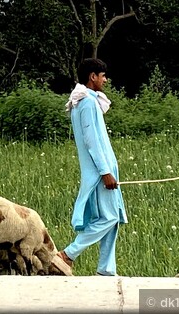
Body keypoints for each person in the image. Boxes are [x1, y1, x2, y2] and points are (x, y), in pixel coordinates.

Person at [57, 57, 127, 276]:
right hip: (99, 172)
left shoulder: (87, 101)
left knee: (112, 218)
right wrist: (105, 172)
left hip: (104, 169)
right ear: (92, 76)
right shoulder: (86, 102)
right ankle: (68, 254)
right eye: (103, 76)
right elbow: (91, 141)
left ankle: (106, 269)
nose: (105, 80)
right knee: (109, 217)